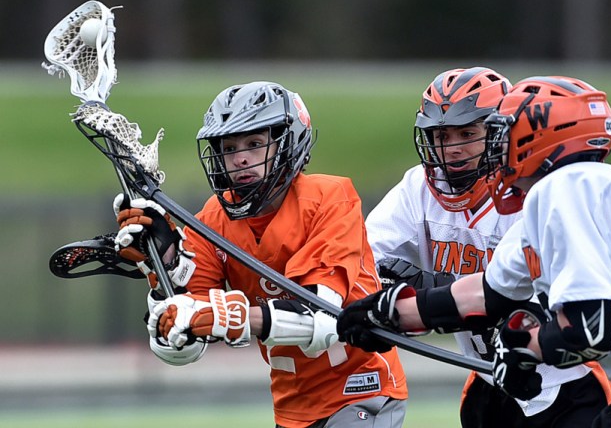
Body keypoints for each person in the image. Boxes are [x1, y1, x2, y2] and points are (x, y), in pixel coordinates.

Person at [337, 76, 611, 427]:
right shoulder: (572, 191)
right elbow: (486, 294)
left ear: (540, 137)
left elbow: (592, 329)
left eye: (504, 133)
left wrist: (524, 351)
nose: (497, 148)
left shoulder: (567, 187)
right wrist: (386, 312)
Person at [113, 81, 408, 428]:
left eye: (254, 144)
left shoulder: (329, 197)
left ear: (287, 144)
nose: (240, 158)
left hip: (361, 386)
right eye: (229, 147)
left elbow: (323, 317)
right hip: (291, 403)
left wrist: (231, 317)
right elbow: (183, 348)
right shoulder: (212, 220)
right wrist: (163, 265)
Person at [365, 67, 611, 427]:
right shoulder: (416, 188)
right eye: (439, 135)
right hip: (486, 381)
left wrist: (426, 289)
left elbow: (533, 300)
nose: (451, 148)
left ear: (499, 133)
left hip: (565, 382)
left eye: (467, 133)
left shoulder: (531, 194)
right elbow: (362, 259)